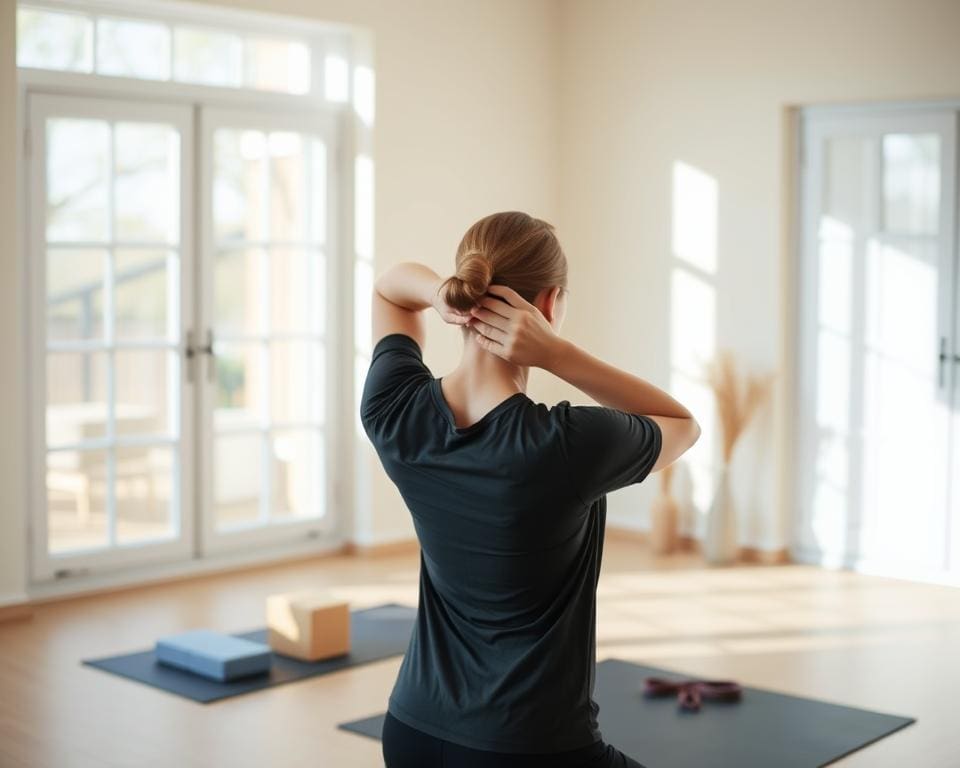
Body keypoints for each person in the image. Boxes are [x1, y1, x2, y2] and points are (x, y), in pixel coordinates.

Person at [360, 211, 701, 767]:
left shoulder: (394, 410)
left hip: (411, 732)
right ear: (549, 304)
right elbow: (682, 425)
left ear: (460, 295)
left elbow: (389, 290)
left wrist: (437, 292)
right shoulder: (567, 444)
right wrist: (557, 355)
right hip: (529, 750)